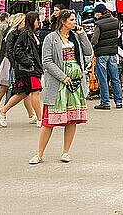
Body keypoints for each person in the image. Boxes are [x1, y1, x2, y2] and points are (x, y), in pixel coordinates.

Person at [29, 9, 93, 164]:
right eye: (71, 20)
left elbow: (88, 51)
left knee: (72, 119)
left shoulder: (75, 38)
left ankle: (66, 151)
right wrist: (62, 77)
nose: (74, 22)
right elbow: (47, 61)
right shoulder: (51, 38)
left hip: (75, 82)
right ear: (63, 21)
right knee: (49, 120)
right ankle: (39, 153)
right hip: (59, 82)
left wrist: (82, 34)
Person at [0, 12, 43, 127]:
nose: (39, 23)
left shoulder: (31, 34)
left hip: (29, 68)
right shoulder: (25, 34)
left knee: (23, 93)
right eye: (37, 20)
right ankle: (40, 119)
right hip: (28, 69)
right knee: (34, 91)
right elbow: (17, 50)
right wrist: (29, 62)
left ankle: (2, 111)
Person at [90, 3, 123, 110]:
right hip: (113, 53)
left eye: (95, 13)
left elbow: (94, 40)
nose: (95, 15)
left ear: (99, 13)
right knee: (115, 78)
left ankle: (105, 102)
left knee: (103, 78)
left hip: (102, 54)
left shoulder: (99, 24)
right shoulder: (115, 21)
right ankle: (119, 102)